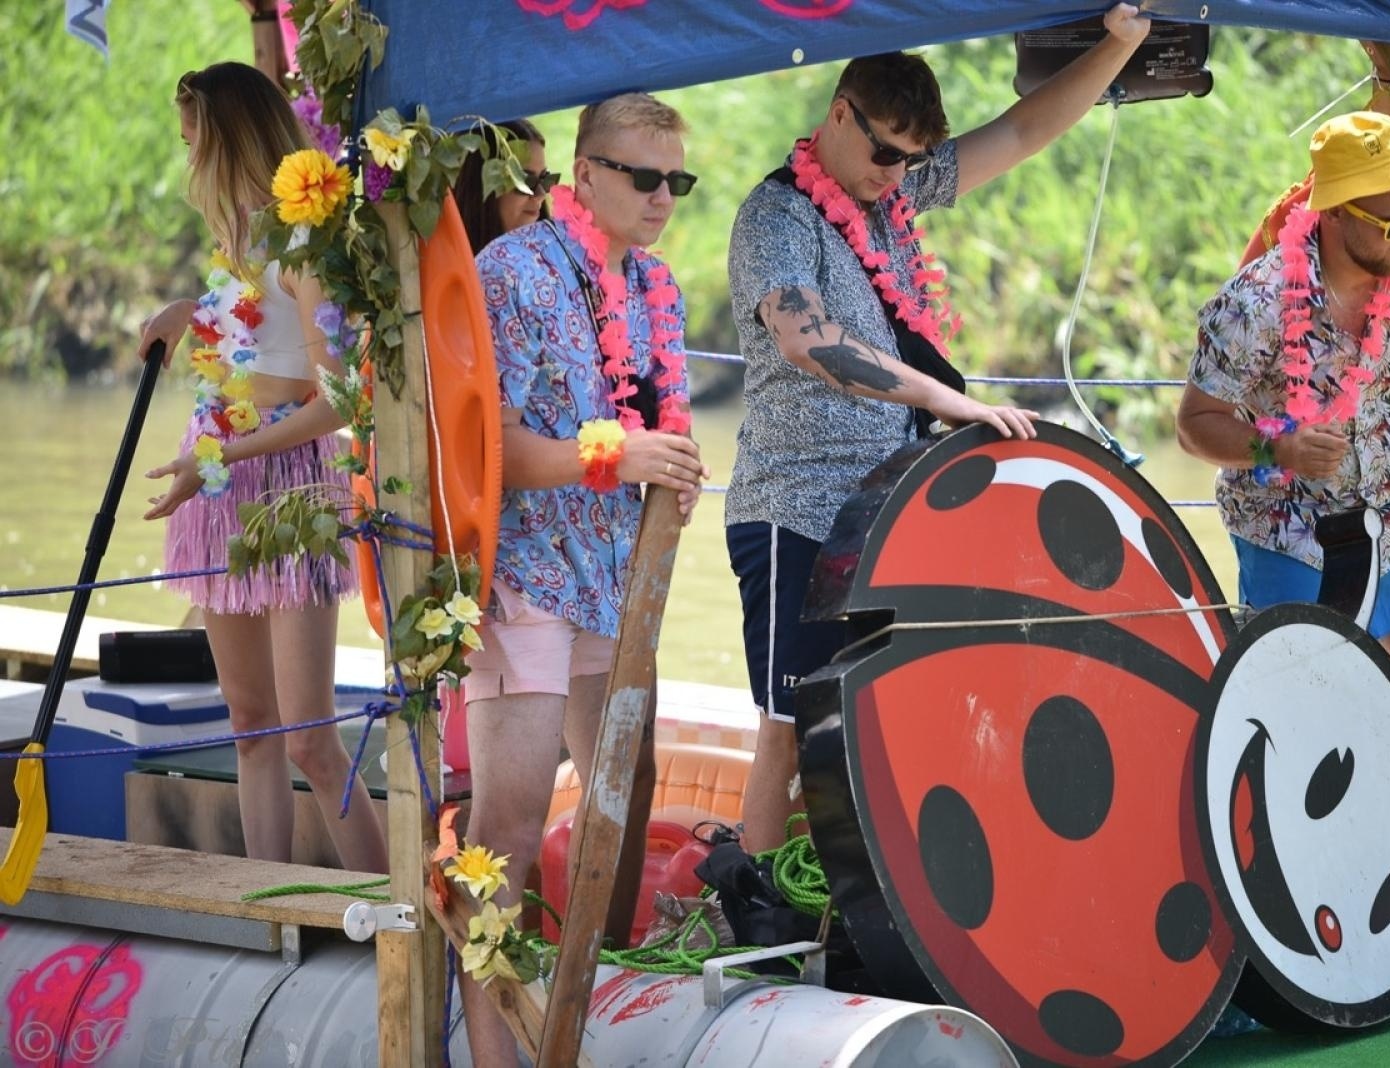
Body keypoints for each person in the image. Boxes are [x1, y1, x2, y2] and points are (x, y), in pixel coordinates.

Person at [724, 5, 1151, 853]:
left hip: (888, 515)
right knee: (787, 720)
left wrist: (1123, 45)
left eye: (914, 160)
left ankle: (843, 913)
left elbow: (1025, 128)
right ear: (838, 115)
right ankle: (764, 910)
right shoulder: (776, 216)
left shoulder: (892, 195)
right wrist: (948, 400)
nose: (896, 174)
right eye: (885, 150)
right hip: (794, 507)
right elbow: (804, 336)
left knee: (878, 715)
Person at [460, 92, 708, 1063]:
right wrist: (620, 458)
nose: (661, 198)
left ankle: (579, 1004)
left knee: (625, 783)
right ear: (586, 173)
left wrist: (670, 469)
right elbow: (490, 446)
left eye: (676, 181)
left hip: (614, 576)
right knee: (510, 820)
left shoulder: (657, 286)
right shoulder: (511, 270)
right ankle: (489, 1044)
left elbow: (664, 426)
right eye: (643, 177)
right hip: (522, 576)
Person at [1175, 111, 1390, 745]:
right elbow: (1194, 425)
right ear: (1334, 213)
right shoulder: (1254, 305)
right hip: (1291, 539)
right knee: (1304, 746)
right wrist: (1275, 446)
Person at [136, 62, 387, 874]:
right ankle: (262, 899)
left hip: (286, 487)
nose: (186, 162)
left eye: (192, 142)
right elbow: (245, 344)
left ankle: (391, 912)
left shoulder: (302, 240)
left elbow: (341, 397)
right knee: (249, 723)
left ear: (226, 141)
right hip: (218, 476)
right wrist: (188, 314)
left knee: (309, 737)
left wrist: (225, 455)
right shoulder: (237, 243)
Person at [453, 118, 559, 255]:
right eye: (525, 181)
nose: (540, 195)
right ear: (483, 186)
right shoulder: (450, 268)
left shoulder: (558, 257)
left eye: (546, 179)